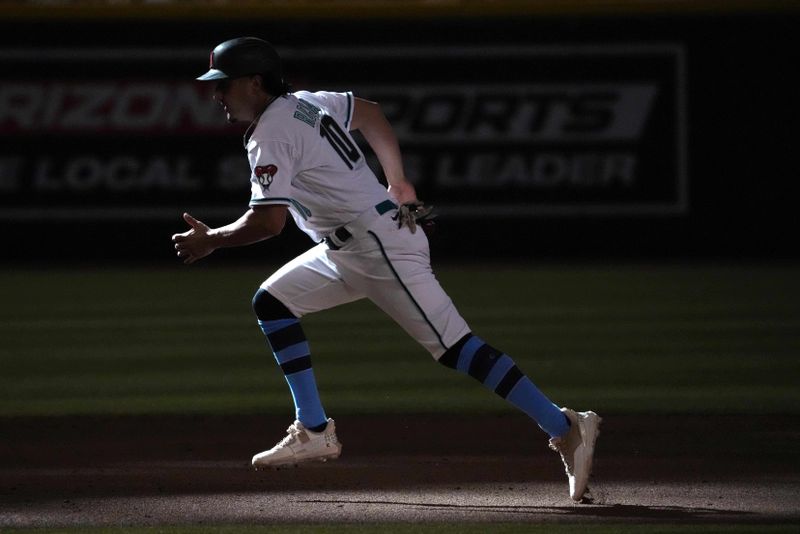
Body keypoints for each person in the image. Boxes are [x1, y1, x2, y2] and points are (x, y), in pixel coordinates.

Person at [172, 37, 601, 502]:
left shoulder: (270, 132)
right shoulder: (307, 103)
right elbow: (371, 112)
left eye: (225, 84)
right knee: (273, 301)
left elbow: (269, 223)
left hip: (377, 246)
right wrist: (398, 179)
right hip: (349, 245)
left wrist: (211, 239)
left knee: (457, 348)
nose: (217, 94)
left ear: (255, 83)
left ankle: (565, 426)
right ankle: (314, 428)